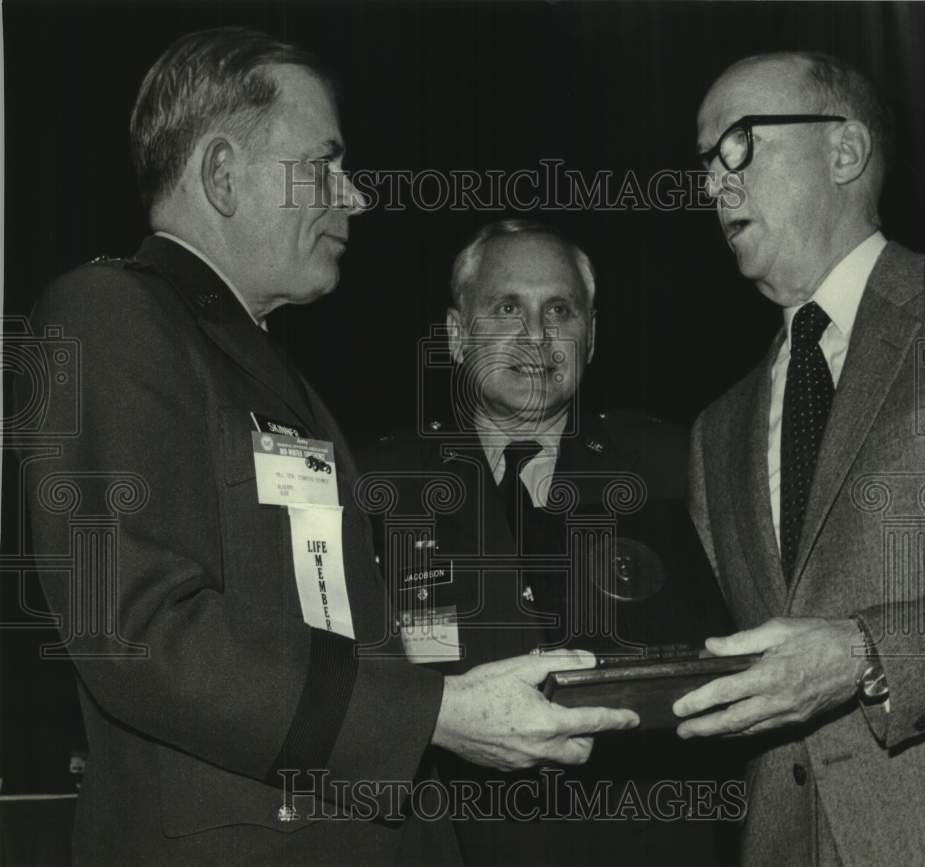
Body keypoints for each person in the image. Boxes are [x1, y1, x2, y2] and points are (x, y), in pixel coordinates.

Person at [17, 28, 639, 866]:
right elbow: (134, 632)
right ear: (223, 174)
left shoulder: (259, 364)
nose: (355, 196)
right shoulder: (107, 315)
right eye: (326, 164)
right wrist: (435, 714)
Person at [679, 50, 925, 865]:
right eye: (705, 164)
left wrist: (864, 654)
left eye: (739, 145)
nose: (715, 184)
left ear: (845, 151)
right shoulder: (715, 430)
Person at [358, 219, 740, 867]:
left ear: (591, 336)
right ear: (457, 334)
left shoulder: (671, 464)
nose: (535, 335)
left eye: (559, 309)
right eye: (508, 307)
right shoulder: (378, 482)